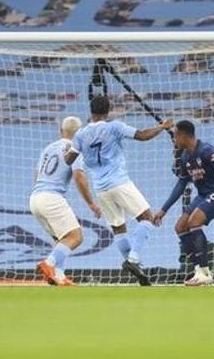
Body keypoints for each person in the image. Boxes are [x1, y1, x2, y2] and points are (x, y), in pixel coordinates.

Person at [65, 95, 173, 286]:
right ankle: (133, 259)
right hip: (119, 182)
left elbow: (68, 159)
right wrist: (162, 127)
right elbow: (142, 135)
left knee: (118, 229)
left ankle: (136, 266)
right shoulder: (114, 127)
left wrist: (78, 149)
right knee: (147, 218)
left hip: (101, 189)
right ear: (108, 111)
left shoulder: (81, 134)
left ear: (91, 111)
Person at [154, 120, 214, 286]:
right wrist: (164, 209)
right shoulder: (185, 157)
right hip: (204, 196)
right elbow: (181, 184)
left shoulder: (207, 151)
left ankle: (204, 272)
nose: (174, 140)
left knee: (194, 221)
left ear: (183, 135)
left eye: (175, 136)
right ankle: (199, 270)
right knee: (180, 227)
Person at [30, 116, 100, 286]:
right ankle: (49, 263)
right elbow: (79, 176)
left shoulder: (48, 148)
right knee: (76, 237)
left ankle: (59, 276)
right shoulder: (75, 149)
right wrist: (91, 203)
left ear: (61, 131)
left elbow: (37, 175)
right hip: (52, 197)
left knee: (61, 239)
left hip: (35, 198)